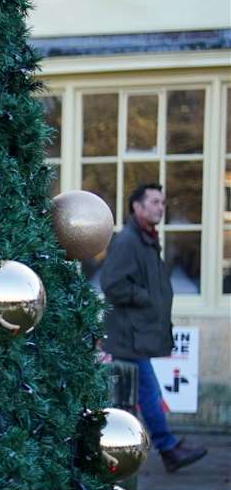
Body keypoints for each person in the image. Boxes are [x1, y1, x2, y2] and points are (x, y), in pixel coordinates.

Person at [98, 183, 207, 473]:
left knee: (138, 396)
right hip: (127, 336)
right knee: (147, 393)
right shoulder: (129, 241)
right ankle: (165, 448)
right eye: (155, 202)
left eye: (163, 202)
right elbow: (113, 284)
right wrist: (146, 298)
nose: (161, 207)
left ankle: (147, 447)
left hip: (134, 336)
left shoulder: (145, 240)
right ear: (137, 206)